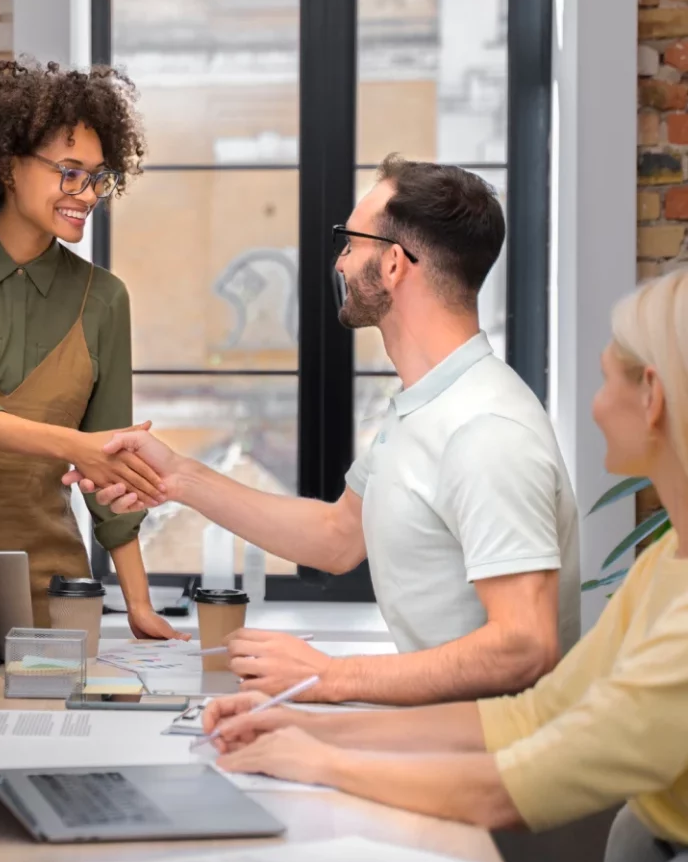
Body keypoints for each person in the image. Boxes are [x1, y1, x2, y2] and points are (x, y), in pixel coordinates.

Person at [199, 271, 688, 862]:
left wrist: (321, 755)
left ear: (653, 395)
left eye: (605, 378)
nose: (591, 405)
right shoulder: (664, 563)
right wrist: (307, 725)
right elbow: (530, 717)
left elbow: (512, 787)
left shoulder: (489, 433)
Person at [67, 156, 580, 705]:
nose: (339, 262)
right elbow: (339, 536)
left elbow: (523, 646)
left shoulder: (486, 430)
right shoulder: (424, 404)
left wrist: (331, 677)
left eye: (351, 241)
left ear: (393, 266)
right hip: (441, 741)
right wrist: (181, 478)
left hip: (496, 772)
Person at [0, 58, 186, 640]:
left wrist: (140, 605)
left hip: (50, 587)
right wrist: (78, 447)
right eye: (70, 172)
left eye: (98, 177)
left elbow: (110, 472)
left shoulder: (105, 300)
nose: (87, 194)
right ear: (6, 167)